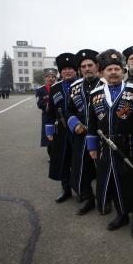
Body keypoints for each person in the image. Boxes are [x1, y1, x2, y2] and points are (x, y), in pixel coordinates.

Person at [86, 49, 133, 238]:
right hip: (106, 149)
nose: (113, 72)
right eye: (109, 69)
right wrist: (92, 146)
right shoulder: (95, 94)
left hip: (129, 146)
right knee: (112, 182)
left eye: (117, 69)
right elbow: (92, 123)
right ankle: (122, 215)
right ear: (102, 73)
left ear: (123, 71)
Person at [66, 49, 101, 215]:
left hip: (102, 136)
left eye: (90, 65)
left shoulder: (106, 85)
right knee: (81, 168)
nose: (87, 69)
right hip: (81, 135)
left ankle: (104, 199)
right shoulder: (74, 87)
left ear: (97, 66)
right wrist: (75, 124)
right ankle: (88, 198)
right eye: (83, 66)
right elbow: (68, 111)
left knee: (103, 169)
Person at [45, 53, 78, 203]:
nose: (67, 71)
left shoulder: (81, 85)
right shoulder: (55, 88)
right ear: (60, 72)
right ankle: (66, 189)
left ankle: (81, 190)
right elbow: (50, 111)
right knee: (62, 161)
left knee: (77, 162)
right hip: (61, 131)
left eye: (70, 68)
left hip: (78, 130)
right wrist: (49, 130)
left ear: (75, 70)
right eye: (64, 69)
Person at [36, 68, 57, 157]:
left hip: (58, 116)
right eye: (48, 76)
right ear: (45, 78)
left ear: (56, 78)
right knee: (49, 137)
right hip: (47, 116)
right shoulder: (40, 90)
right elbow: (39, 104)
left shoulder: (58, 87)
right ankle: (51, 155)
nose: (51, 78)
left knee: (59, 136)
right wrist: (49, 106)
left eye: (53, 77)